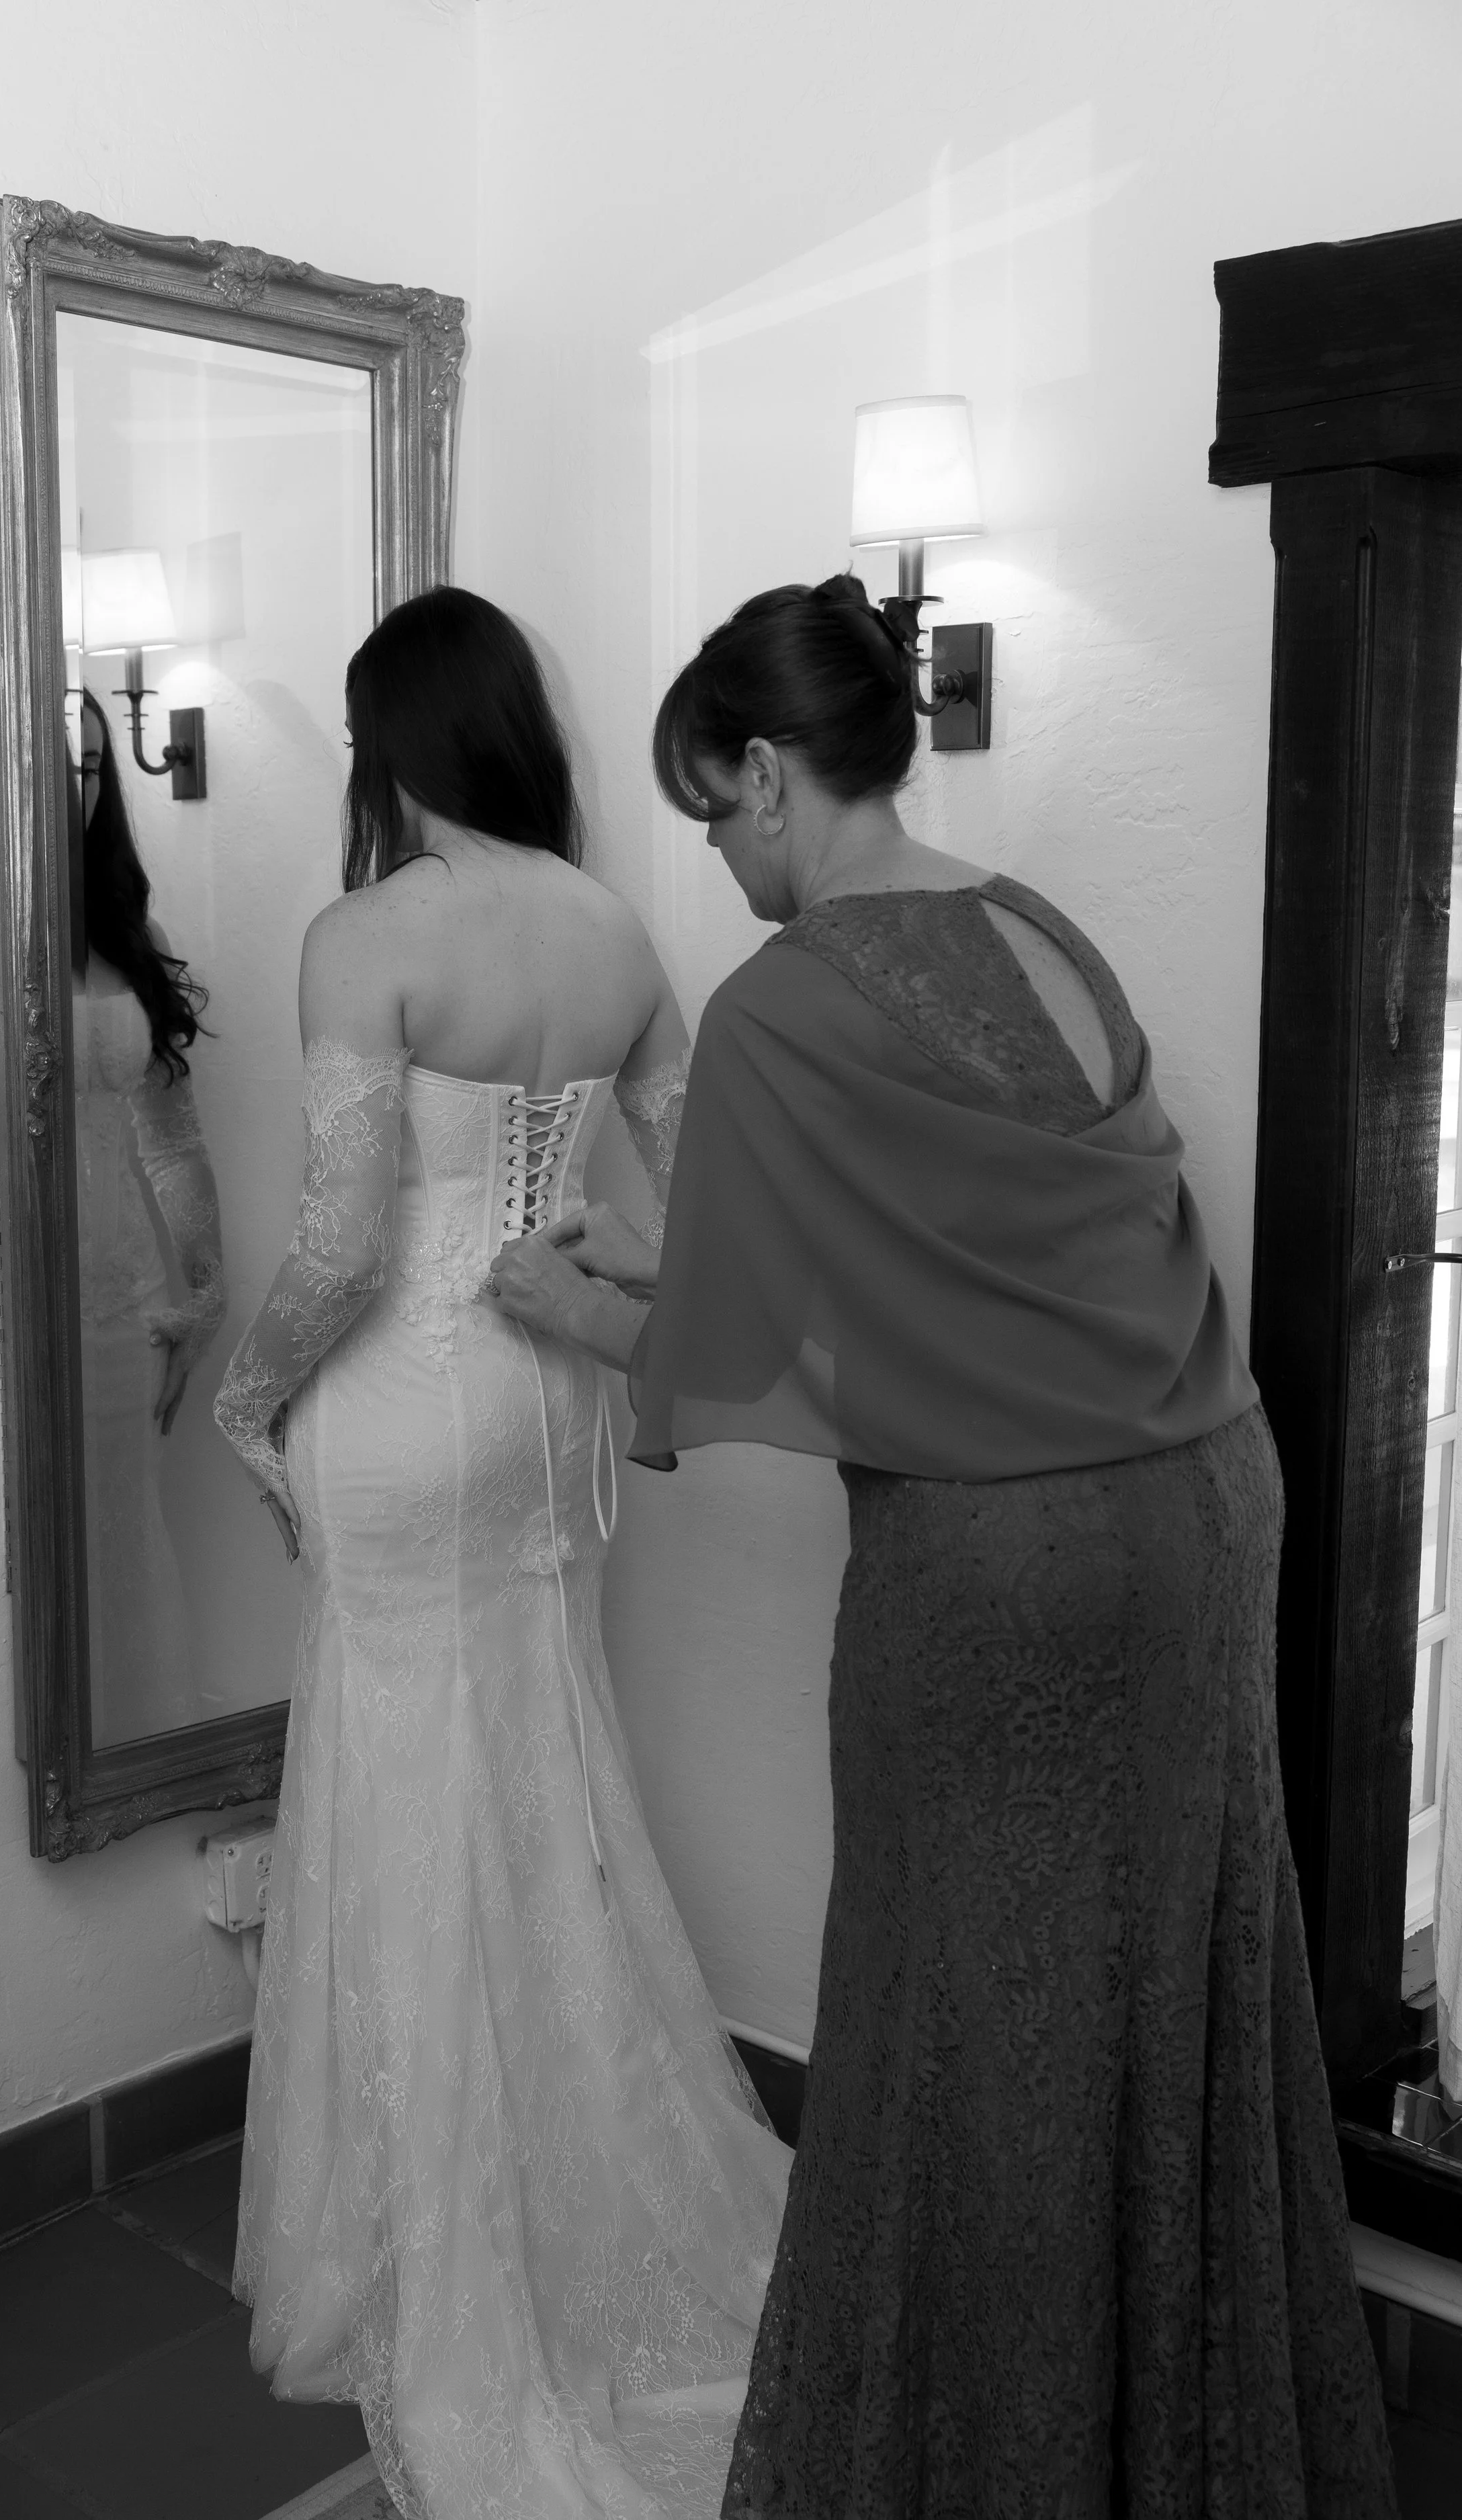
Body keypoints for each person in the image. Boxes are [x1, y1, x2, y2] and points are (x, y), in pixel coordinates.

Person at [492, 575, 1399, 2517]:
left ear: (765, 767)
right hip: (1206, 1507)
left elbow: (748, 1351)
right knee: (1166, 1989)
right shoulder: (1038, 932)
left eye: (714, 811)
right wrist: (679, 1266)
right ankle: (1183, 2444)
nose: (721, 855)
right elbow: (977, 1265)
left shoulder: (786, 997)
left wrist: (579, 1310)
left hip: (1002, 1568)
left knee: (955, 2013)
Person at [212, 587, 789, 2519]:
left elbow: (340, 1235)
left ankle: (457, 2267)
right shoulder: (612, 926)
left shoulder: (367, 932)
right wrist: (583, 1276)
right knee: (530, 1773)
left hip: (401, 1400)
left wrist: (241, 1396)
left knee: (407, 1794)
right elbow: (699, 1165)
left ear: (390, 744)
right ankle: (572, 2210)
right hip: (549, 1400)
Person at [71, 691, 226, 1745]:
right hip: (0, 1309)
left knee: (125, 1544)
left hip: (123, 1302)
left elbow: (173, 1138)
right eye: (54, 768)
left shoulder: (131, 934)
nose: (75, 787)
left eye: (90, 767)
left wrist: (205, 1295)